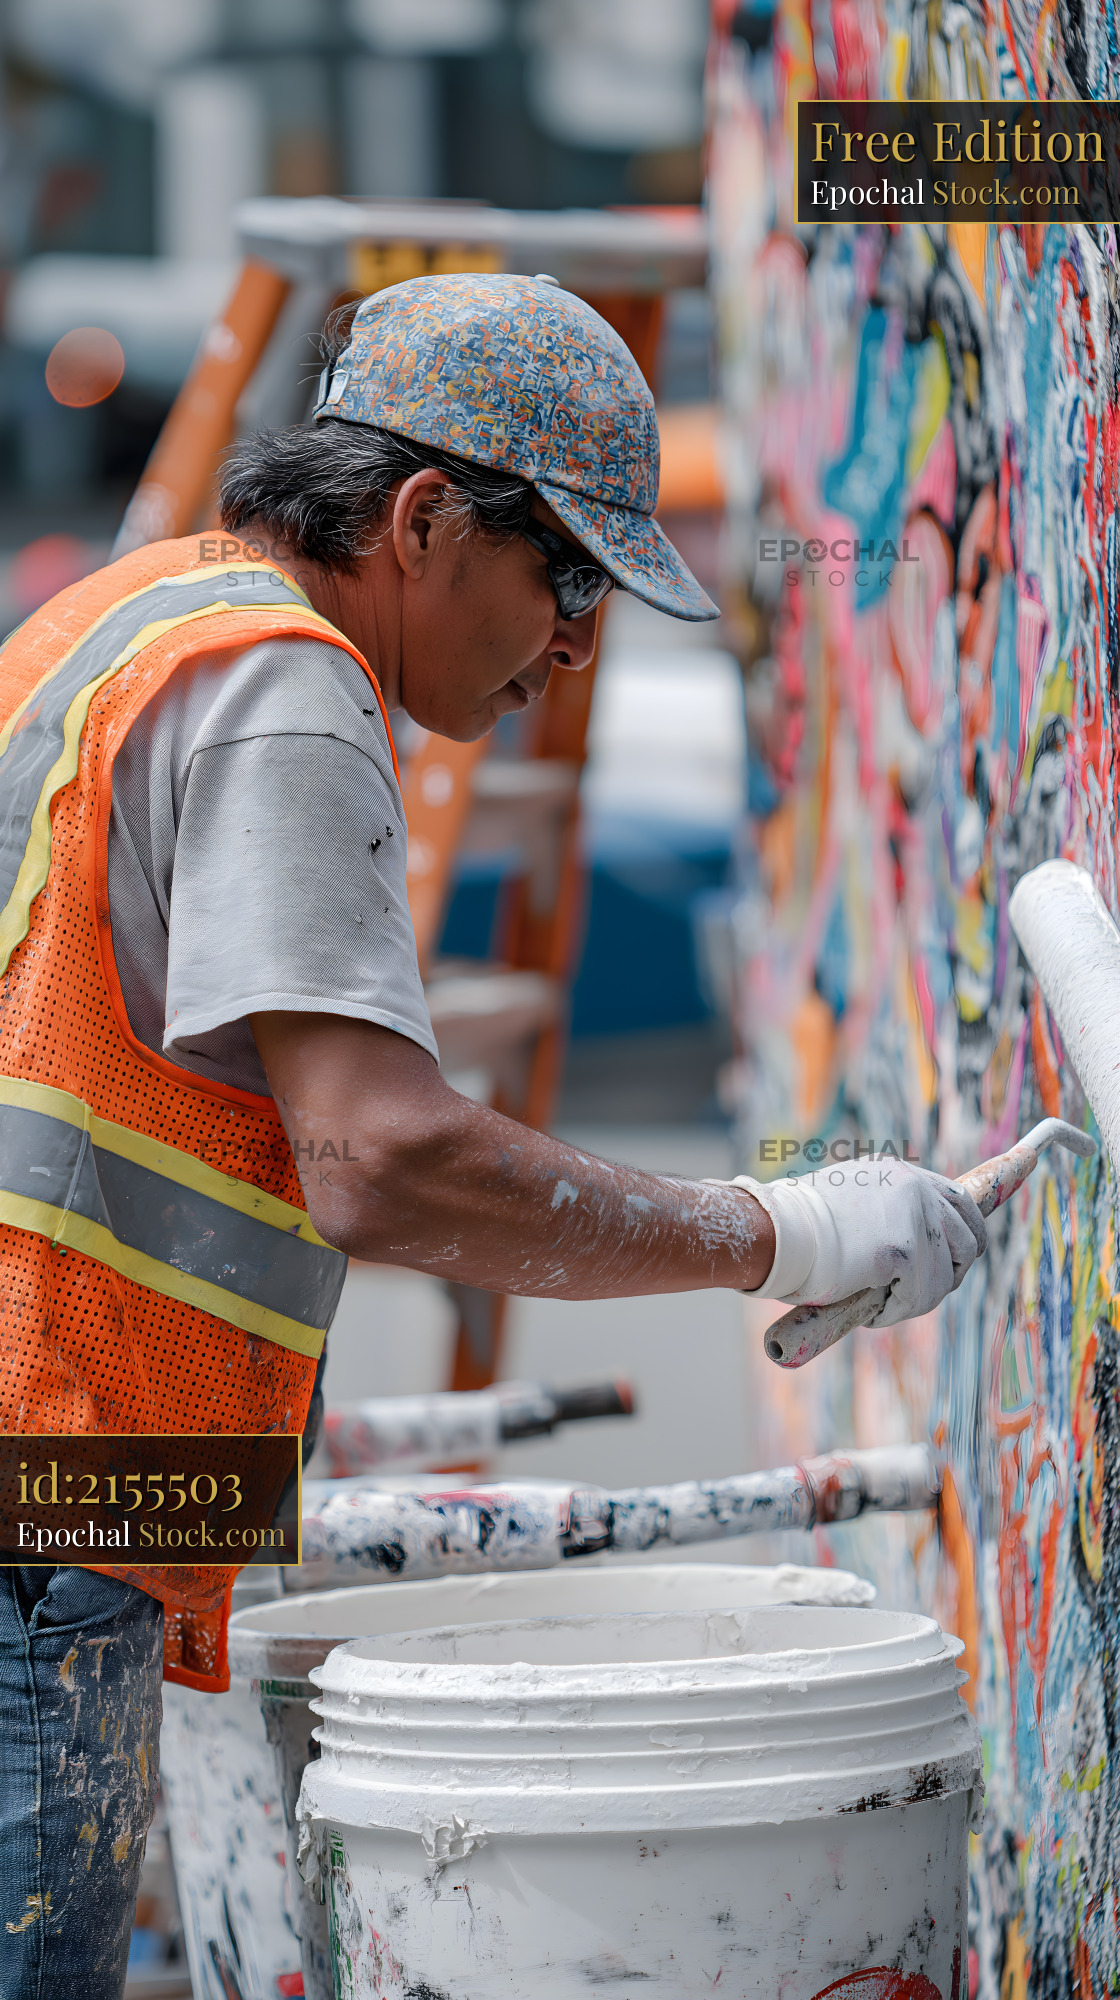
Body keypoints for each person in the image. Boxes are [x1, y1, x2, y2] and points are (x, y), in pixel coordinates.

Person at [0, 273, 986, 1993]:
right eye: (570, 579)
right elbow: (379, 1160)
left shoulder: (124, 615)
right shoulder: (281, 686)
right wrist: (785, 1232)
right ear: (422, 522)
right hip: (56, 1487)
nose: (577, 648)